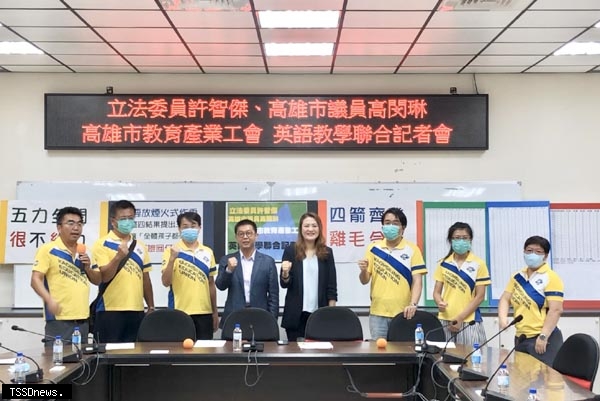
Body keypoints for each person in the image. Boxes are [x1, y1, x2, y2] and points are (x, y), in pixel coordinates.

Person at [31, 206, 101, 345]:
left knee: (82, 358)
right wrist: (49, 300)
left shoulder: (86, 251)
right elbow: (35, 280)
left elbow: (98, 280)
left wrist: (88, 267)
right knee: (56, 357)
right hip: (59, 319)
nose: (76, 228)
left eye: (79, 224)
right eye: (70, 223)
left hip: (83, 319)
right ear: (59, 227)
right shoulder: (48, 250)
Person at [358, 207, 426, 340]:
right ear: (382, 226)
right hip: (377, 313)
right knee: (379, 350)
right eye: (387, 223)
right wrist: (363, 270)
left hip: (403, 313)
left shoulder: (412, 249)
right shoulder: (374, 248)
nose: (390, 226)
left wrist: (413, 304)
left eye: (395, 223)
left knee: (402, 350)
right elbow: (364, 280)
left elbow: (417, 281)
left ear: (403, 228)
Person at [91, 200, 154, 343]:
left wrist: (150, 306)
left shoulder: (140, 246)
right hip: (109, 311)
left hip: (136, 310)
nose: (127, 222)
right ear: (113, 221)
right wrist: (118, 257)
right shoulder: (102, 244)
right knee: (108, 353)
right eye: (123, 218)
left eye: (130, 218)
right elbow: (104, 277)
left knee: (134, 353)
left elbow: (145, 278)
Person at [498, 235, 564, 366]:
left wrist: (543, 336)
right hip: (521, 337)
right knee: (521, 376)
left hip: (543, 338)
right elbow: (505, 299)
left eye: (538, 252)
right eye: (529, 250)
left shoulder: (551, 277)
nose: (532, 254)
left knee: (543, 377)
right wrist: (502, 318)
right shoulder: (517, 277)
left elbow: (556, 310)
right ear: (524, 252)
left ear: (545, 256)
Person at [280, 212, 337, 341]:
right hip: (296, 315)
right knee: (296, 352)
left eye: (314, 226)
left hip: (320, 314)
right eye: (306, 226)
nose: (310, 229)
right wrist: (285, 273)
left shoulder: (327, 252)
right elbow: (284, 284)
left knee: (319, 352)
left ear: (319, 228)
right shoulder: (291, 250)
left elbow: (331, 286)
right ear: (301, 229)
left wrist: (331, 314)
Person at [162, 212, 218, 339]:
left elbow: (211, 284)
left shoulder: (208, 252)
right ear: (179, 229)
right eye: (185, 226)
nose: (190, 229)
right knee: (179, 350)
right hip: (179, 312)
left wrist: (214, 312)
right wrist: (172, 259)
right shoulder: (170, 251)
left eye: (193, 226)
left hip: (204, 313)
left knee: (204, 350)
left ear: (199, 228)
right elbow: (165, 282)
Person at [433, 222, 490, 345]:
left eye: (465, 238)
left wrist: (460, 318)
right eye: (457, 238)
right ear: (451, 240)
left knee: (472, 355)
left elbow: (480, 296)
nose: (461, 241)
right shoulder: (443, 263)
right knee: (444, 356)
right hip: (445, 320)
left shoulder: (478, 264)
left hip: (469, 321)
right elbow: (436, 292)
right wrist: (439, 302)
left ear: (470, 240)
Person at [216, 219, 279, 329]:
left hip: (260, 316)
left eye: (249, 233)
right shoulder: (227, 260)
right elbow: (220, 286)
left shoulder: (268, 262)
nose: (245, 237)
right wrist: (229, 270)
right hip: (234, 316)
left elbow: (273, 295)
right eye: (241, 234)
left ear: (256, 236)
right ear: (236, 237)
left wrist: (272, 321)